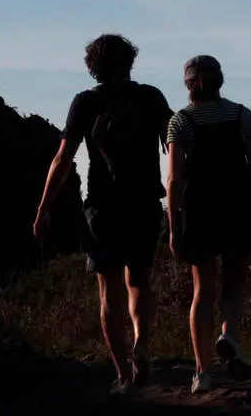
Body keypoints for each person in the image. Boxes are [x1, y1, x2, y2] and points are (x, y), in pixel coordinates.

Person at [33, 33, 173, 395]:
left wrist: (43, 209)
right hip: (144, 203)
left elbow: (63, 159)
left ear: (93, 67)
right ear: (130, 62)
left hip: (102, 206)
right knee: (139, 282)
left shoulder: (86, 102)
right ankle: (142, 341)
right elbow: (177, 149)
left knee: (108, 291)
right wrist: (178, 201)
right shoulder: (151, 97)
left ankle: (123, 375)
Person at [165, 55, 251, 394]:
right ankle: (229, 336)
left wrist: (173, 224)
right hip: (239, 206)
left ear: (189, 84)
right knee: (235, 284)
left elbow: (174, 179)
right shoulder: (241, 114)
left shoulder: (180, 121)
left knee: (203, 290)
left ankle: (202, 370)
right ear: (219, 80)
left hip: (201, 209)